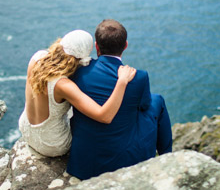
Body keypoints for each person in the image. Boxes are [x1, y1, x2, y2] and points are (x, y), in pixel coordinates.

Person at [66, 19, 173, 180]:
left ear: (96, 46)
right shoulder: (139, 77)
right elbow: (144, 105)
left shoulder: (79, 72)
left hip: (84, 164)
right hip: (124, 162)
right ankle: (167, 160)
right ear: (125, 45)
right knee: (157, 101)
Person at [18, 29, 136, 157]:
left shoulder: (37, 57)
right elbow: (104, 116)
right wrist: (122, 82)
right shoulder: (63, 85)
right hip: (51, 145)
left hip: (26, 129)